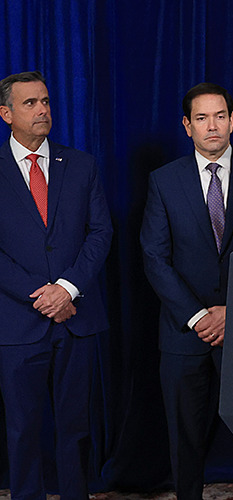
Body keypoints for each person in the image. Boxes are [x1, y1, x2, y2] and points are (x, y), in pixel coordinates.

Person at [140, 82, 233, 499]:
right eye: (201, 118)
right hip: (185, 335)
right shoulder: (164, 181)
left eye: (220, 116)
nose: (212, 126)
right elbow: (154, 258)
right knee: (185, 443)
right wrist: (200, 316)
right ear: (187, 126)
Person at [0, 71, 112, 499]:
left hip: (76, 318)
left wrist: (66, 288)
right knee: (22, 430)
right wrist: (42, 295)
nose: (42, 109)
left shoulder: (80, 163)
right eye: (30, 103)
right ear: (6, 113)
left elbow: (100, 232)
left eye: (45, 101)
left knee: (75, 428)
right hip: (17, 323)